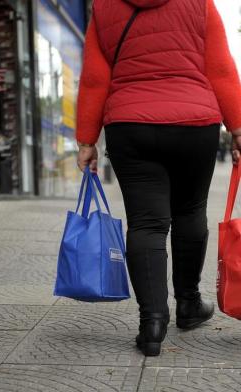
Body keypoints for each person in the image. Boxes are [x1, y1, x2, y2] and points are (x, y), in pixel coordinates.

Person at [76, 0, 241, 356]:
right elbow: (221, 69)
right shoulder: (199, 4)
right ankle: (188, 303)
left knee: (146, 224)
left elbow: (94, 78)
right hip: (194, 124)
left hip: (129, 125)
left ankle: (152, 323)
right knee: (191, 211)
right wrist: (238, 129)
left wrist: (87, 139)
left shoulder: (104, 8)